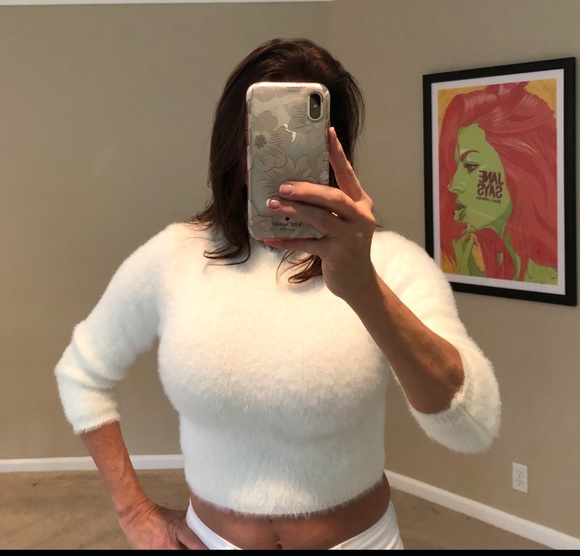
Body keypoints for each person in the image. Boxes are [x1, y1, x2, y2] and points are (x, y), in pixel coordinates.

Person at [54, 37, 501, 550]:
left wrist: (364, 289)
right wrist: (134, 511)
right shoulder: (174, 257)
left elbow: (473, 427)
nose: (281, 154)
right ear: (233, 140)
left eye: (303, 136)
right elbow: (80, 372)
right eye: (264, 132)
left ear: (334, 149)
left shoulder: (390, 263)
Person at [438, 81, 558, 283]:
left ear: (519, 174)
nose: (453, 185)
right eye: (456, 165)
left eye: (470, 166)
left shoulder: (549, 275)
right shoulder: (473, 257)